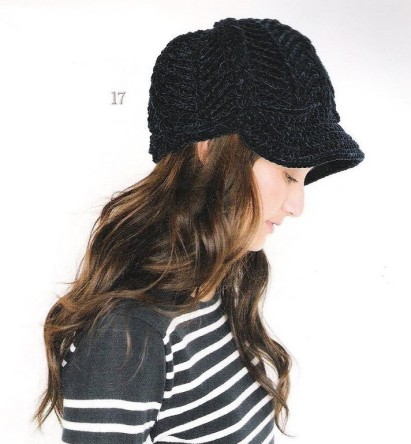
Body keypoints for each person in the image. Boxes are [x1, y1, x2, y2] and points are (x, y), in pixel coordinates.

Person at [33, 17, 364, 443]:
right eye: (287, 174)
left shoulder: (216, 289)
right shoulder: (128, 334)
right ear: (208, 149)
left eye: (303, 179)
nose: (297, 206)